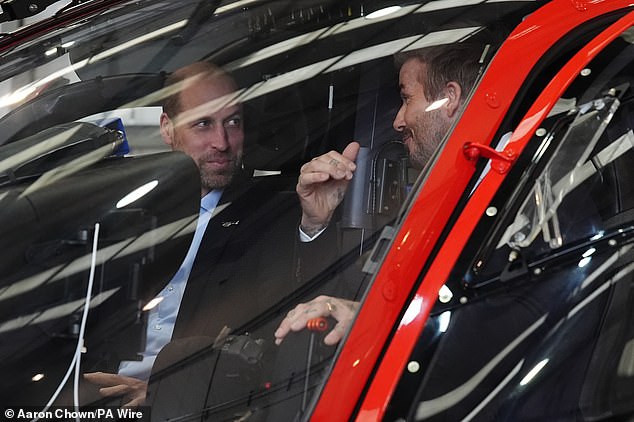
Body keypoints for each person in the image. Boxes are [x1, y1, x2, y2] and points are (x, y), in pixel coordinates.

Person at [274, 42, 484, 346]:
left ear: (449, 98)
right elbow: (344, 297)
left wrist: (370, 318)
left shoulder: (516, 193)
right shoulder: (433, 197)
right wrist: (316, 223)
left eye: (406, 98)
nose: (398, 120)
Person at [82, 61, 251, 407]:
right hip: (95, 393)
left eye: (233, 122)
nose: (221, 142)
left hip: (186, 404)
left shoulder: (266, 215)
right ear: (167, 129)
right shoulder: (125, 211)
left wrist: (159, 393)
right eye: (203, 124)